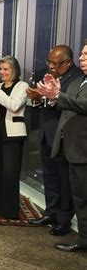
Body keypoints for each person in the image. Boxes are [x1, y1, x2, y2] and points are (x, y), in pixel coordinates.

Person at [26, 45, 82, 235]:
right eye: (49, 62)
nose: (51, 67)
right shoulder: (48, 73)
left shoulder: (77, 78)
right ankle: (51, 212)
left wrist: (52, 97)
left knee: (64, 180)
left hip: (64, 135)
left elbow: (71, 105)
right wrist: (36, 98)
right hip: (46, 131)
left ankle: (64, 219)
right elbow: (45, 100)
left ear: (68, 62)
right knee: (49, 175)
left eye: (56, 64)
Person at [37, 42, 87, 253]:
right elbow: (67, 105)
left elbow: (82, 105)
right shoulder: (80, 82)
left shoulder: (77, 80)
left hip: (83, 149)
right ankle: (84, 238)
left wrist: (57, 95)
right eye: (83, 55)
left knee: (82, 196)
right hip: (71, 146)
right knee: (79, 197)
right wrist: (51, 94)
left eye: (86, 55)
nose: (82, 59)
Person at [0, 56, 28, 219]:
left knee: (10, 172)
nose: (2, 72)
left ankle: (9, 210)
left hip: (13, 134)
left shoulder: (23, 86)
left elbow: (14, 106)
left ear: (14, 70)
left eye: (6, 69)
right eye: (1, 69)